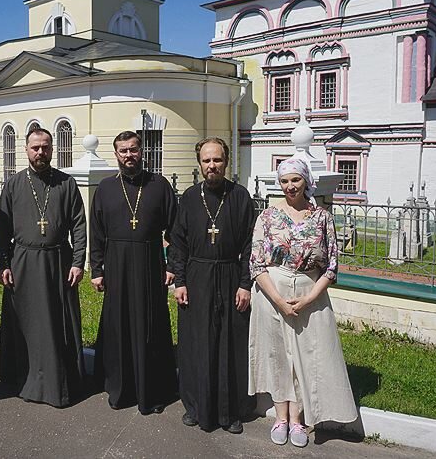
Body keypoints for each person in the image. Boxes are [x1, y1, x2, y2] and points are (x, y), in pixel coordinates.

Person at [248, 158, 358, 447]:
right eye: (284, 181)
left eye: (295, 180)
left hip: (310, 292)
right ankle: (280, 417)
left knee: (304, 357)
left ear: (307, 182)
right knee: (277, 356)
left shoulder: (322, 217)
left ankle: (298, 420)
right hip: (272, 293)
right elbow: (257, 263)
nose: (290, 186)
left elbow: (332, 266)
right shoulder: (268, 216)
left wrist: (309, 298)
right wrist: (280, 301)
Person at [0, 127, 87, 408]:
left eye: (45, 147)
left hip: (58, 262)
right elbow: (1, 230)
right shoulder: (13, 185)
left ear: (52, 149)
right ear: (26, 150)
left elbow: (79, 225)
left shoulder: (66, 183)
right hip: (23, 262)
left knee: (58, 324)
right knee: (27, 324)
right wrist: (3, 264)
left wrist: (78, 261)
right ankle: (25, 379)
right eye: (35, 148)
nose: (40, 153)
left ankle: (61, 382)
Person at [169, 137, 254, 434]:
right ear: (200, 163)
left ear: (226, 161)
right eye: (206, 160)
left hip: (231, 275)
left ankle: (229, 412)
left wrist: (245, 284)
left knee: (229, 342)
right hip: (197, 277)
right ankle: (195, 407)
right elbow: (177, 244)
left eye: (217, 159)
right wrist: (179, 281)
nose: (211, 165)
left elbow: (249, 246)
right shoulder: (190, 198)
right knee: (196, 344)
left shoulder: (241, 197)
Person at [90, 130, 178, 415]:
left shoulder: (159, 185)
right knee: (118, 324)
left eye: (133, 149)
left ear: (142, 152)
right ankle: (120, 388)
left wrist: (172, 265)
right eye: (123, 151)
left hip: (150, 261)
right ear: (116, 154)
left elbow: (175, 230)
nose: (129, 155)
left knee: (151, 323)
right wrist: (97, 269)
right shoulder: (105, 188)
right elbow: (97, 232)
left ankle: (152, 388)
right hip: (116, 263)